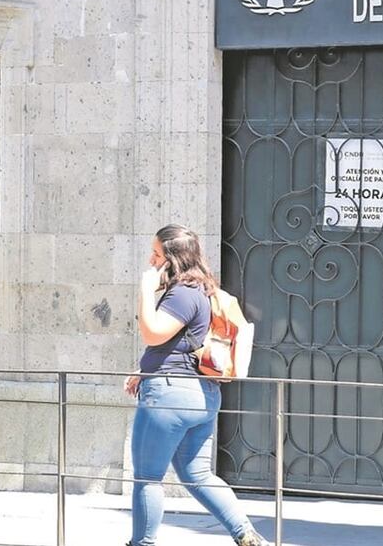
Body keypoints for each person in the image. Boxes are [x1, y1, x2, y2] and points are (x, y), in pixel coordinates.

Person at [123, 224, 271, 546]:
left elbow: (152, 334)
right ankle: (245, 534)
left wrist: (146, 291)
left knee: (147, 478)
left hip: (169, 396)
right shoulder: (202, 291)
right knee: (198, 474)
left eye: (156, 254)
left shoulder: (182, 293)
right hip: (200, 397)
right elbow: (179, 344)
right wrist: (144, 368)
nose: (151, 260)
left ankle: (141, 544)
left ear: (172, 260)